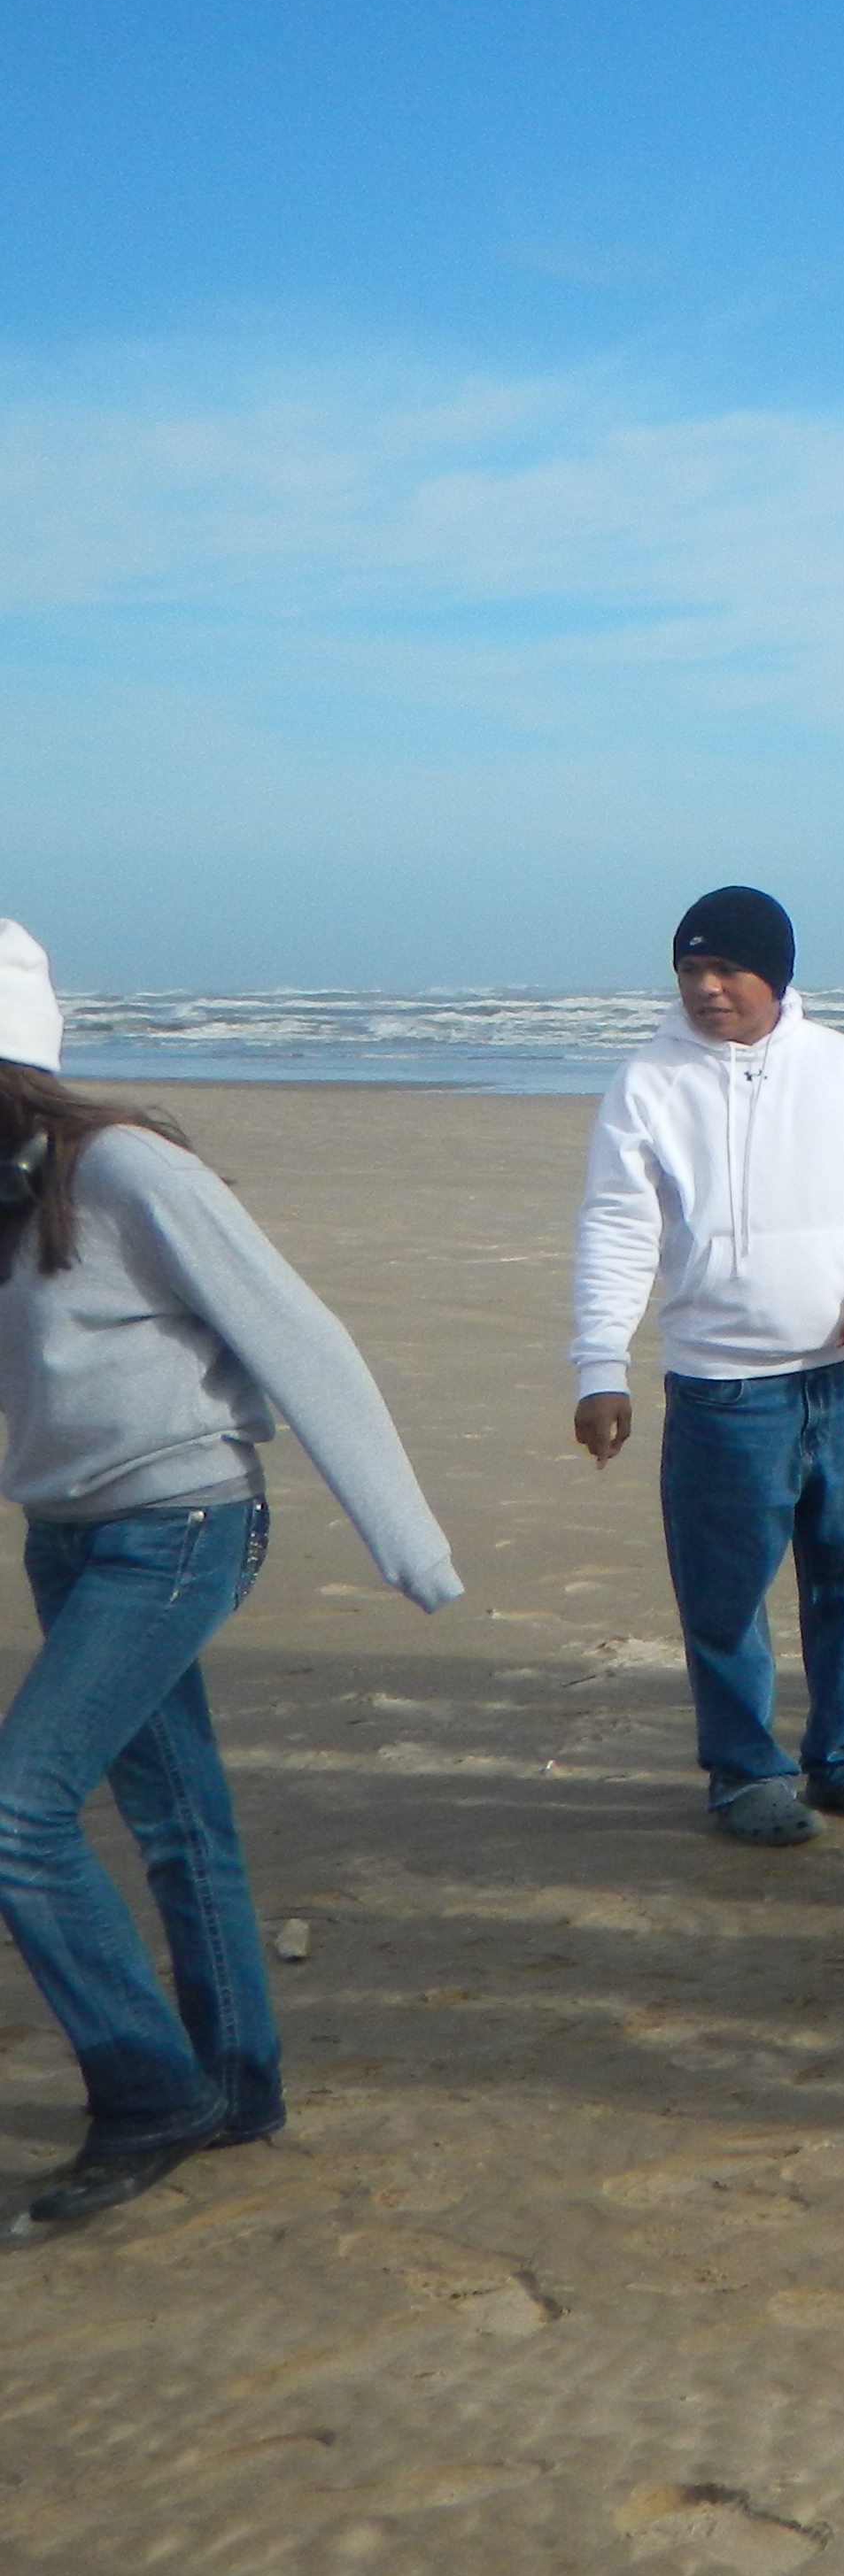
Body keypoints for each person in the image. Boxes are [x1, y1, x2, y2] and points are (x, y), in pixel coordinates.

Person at [0, 924, 462, 2225]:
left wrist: (409, 1545)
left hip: (179, 1527)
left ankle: (149, 2093)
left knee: (17, 1814)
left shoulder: (127, 1170)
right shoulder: (5, 1192)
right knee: (176, 1821)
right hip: (67, 1535)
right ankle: (237, 2085)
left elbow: (297, 1333)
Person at [569, 888, 844, 1847]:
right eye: (691, 970)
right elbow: (616, 1227)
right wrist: (601, 1365)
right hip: (722, 1388)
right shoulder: (648, 1082)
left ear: (777, 974)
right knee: (724, 1596)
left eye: (727, 969)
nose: (708, 988)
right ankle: (746, 1774)